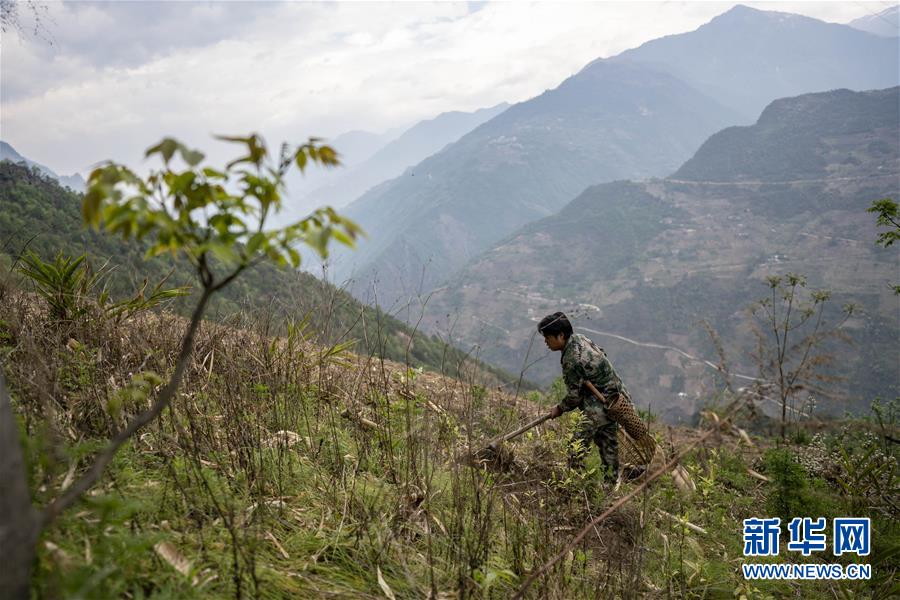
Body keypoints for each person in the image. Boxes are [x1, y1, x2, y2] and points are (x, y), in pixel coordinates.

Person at [539, 311, 635, 482]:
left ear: (560, 335)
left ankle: (577, 484)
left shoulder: (572, 359)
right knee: (608, 444)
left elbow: (574, 397)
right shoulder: (580, 339)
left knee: (576, 447)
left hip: (601, 402)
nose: (545, 342)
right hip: (616, 396)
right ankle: (610, 484)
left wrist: (559, 409)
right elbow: (602, 355)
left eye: (547, 337)